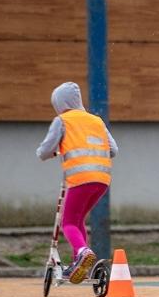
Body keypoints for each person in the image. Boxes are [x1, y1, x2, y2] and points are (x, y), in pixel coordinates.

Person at [36, 82, 118, 284]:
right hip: (102, 179)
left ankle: (82, 252)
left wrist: (49, 153)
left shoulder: (62, 120)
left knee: (68, 222)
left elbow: (45, 151)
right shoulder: (96, 121)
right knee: (78, 218)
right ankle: (78, 262)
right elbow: (114, 150)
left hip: (80, 177)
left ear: (59, 102)